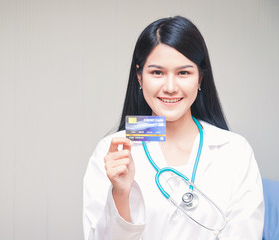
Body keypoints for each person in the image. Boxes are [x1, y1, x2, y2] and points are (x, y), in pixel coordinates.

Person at [83, 16, 264, 240]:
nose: (170, 87)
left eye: (184, 73)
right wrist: (120, 193)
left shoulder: (235, 150)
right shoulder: (112, 151)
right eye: (157, 72)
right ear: (139, 76)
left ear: (200, 78)